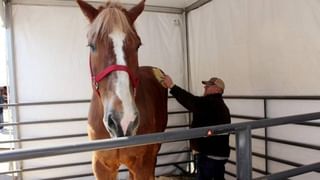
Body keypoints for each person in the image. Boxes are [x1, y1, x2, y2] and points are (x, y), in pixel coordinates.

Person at [162, 75, 231, 180]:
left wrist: (172, 86)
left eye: (209, 85)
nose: (205, 87)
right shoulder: (217, 104)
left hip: (210, 155)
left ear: (218, 89)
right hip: (217, 154)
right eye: (206, 85)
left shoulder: (212, 103)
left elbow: (191, 101)